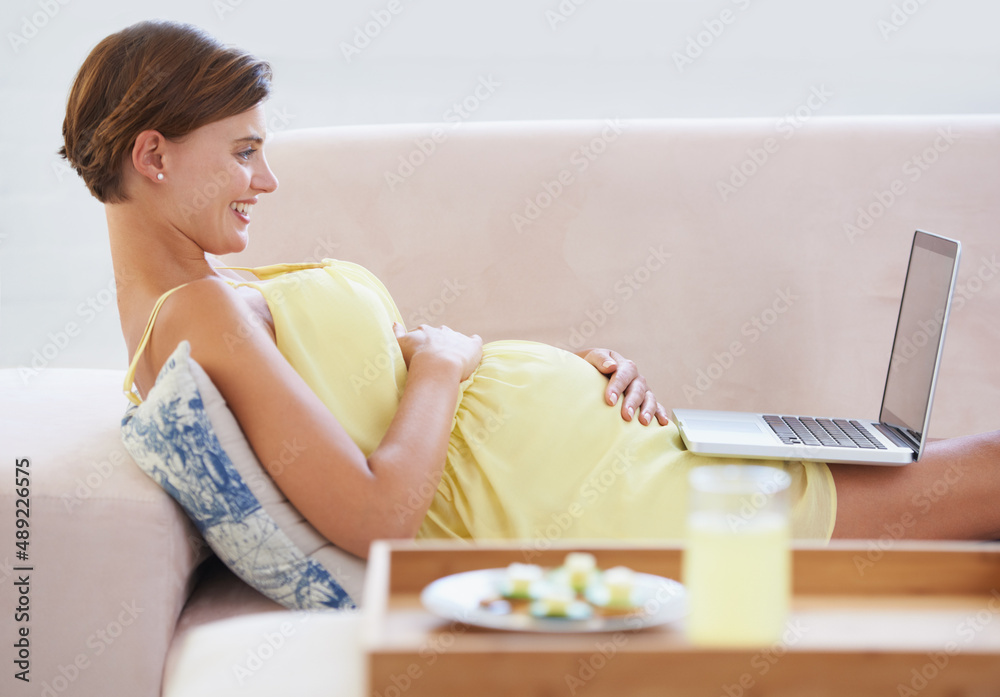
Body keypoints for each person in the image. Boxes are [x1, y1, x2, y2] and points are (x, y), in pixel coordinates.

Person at [60, 20, 1000, 560]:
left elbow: (367, 406)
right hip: (602, 510)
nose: (265, 182)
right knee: (981, 471)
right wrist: (447, 361)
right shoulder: (198, 314)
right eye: (244, 153)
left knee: (958, 471)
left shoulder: (206, 296)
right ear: (153, 155)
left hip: (608, 463)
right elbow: (380, 517)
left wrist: (585, 377)